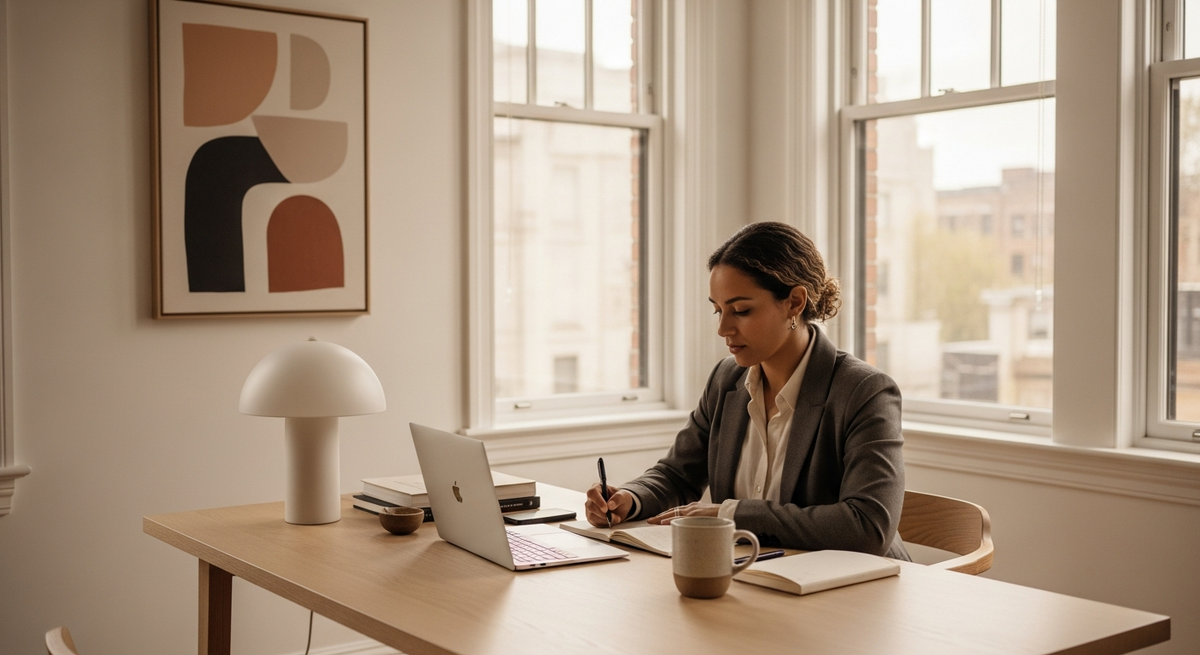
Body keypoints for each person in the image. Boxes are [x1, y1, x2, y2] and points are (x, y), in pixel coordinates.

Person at [585, 221, 910, 559]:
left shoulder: (864, 392)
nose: (723, 328)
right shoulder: (727, 379)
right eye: (718, 310)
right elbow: (678, 474)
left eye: (741, 310)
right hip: (755, 573)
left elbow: (867, 526)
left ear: (795, 302)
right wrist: (629, 499)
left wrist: (732, 515)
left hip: (857, 584)